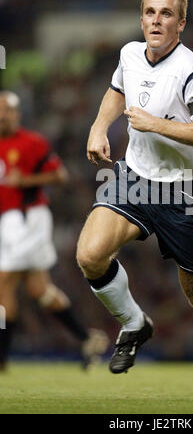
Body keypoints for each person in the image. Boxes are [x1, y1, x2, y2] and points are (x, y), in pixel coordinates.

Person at [77, 0, 193, 399]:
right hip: (135, 178)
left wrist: (156, 124)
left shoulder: (192, 72)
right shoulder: (130, 54)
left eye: (166, 14)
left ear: (181, 23)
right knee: (89, 255)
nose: (156, 20)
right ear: (141, 19)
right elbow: (118, 91)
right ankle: (135, 324)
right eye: (150, 12)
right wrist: (100, 128)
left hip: (185, 194)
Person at [0, 91, 109, 371]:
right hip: (7, 222)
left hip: (28, 218)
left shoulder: (32, 143)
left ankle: (1, 359)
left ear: (17, 114)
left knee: (4, 282)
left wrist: (27, 180)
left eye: (7, 110)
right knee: (39, 290)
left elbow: (60, 175)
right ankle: (87, 339)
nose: (3, 115)